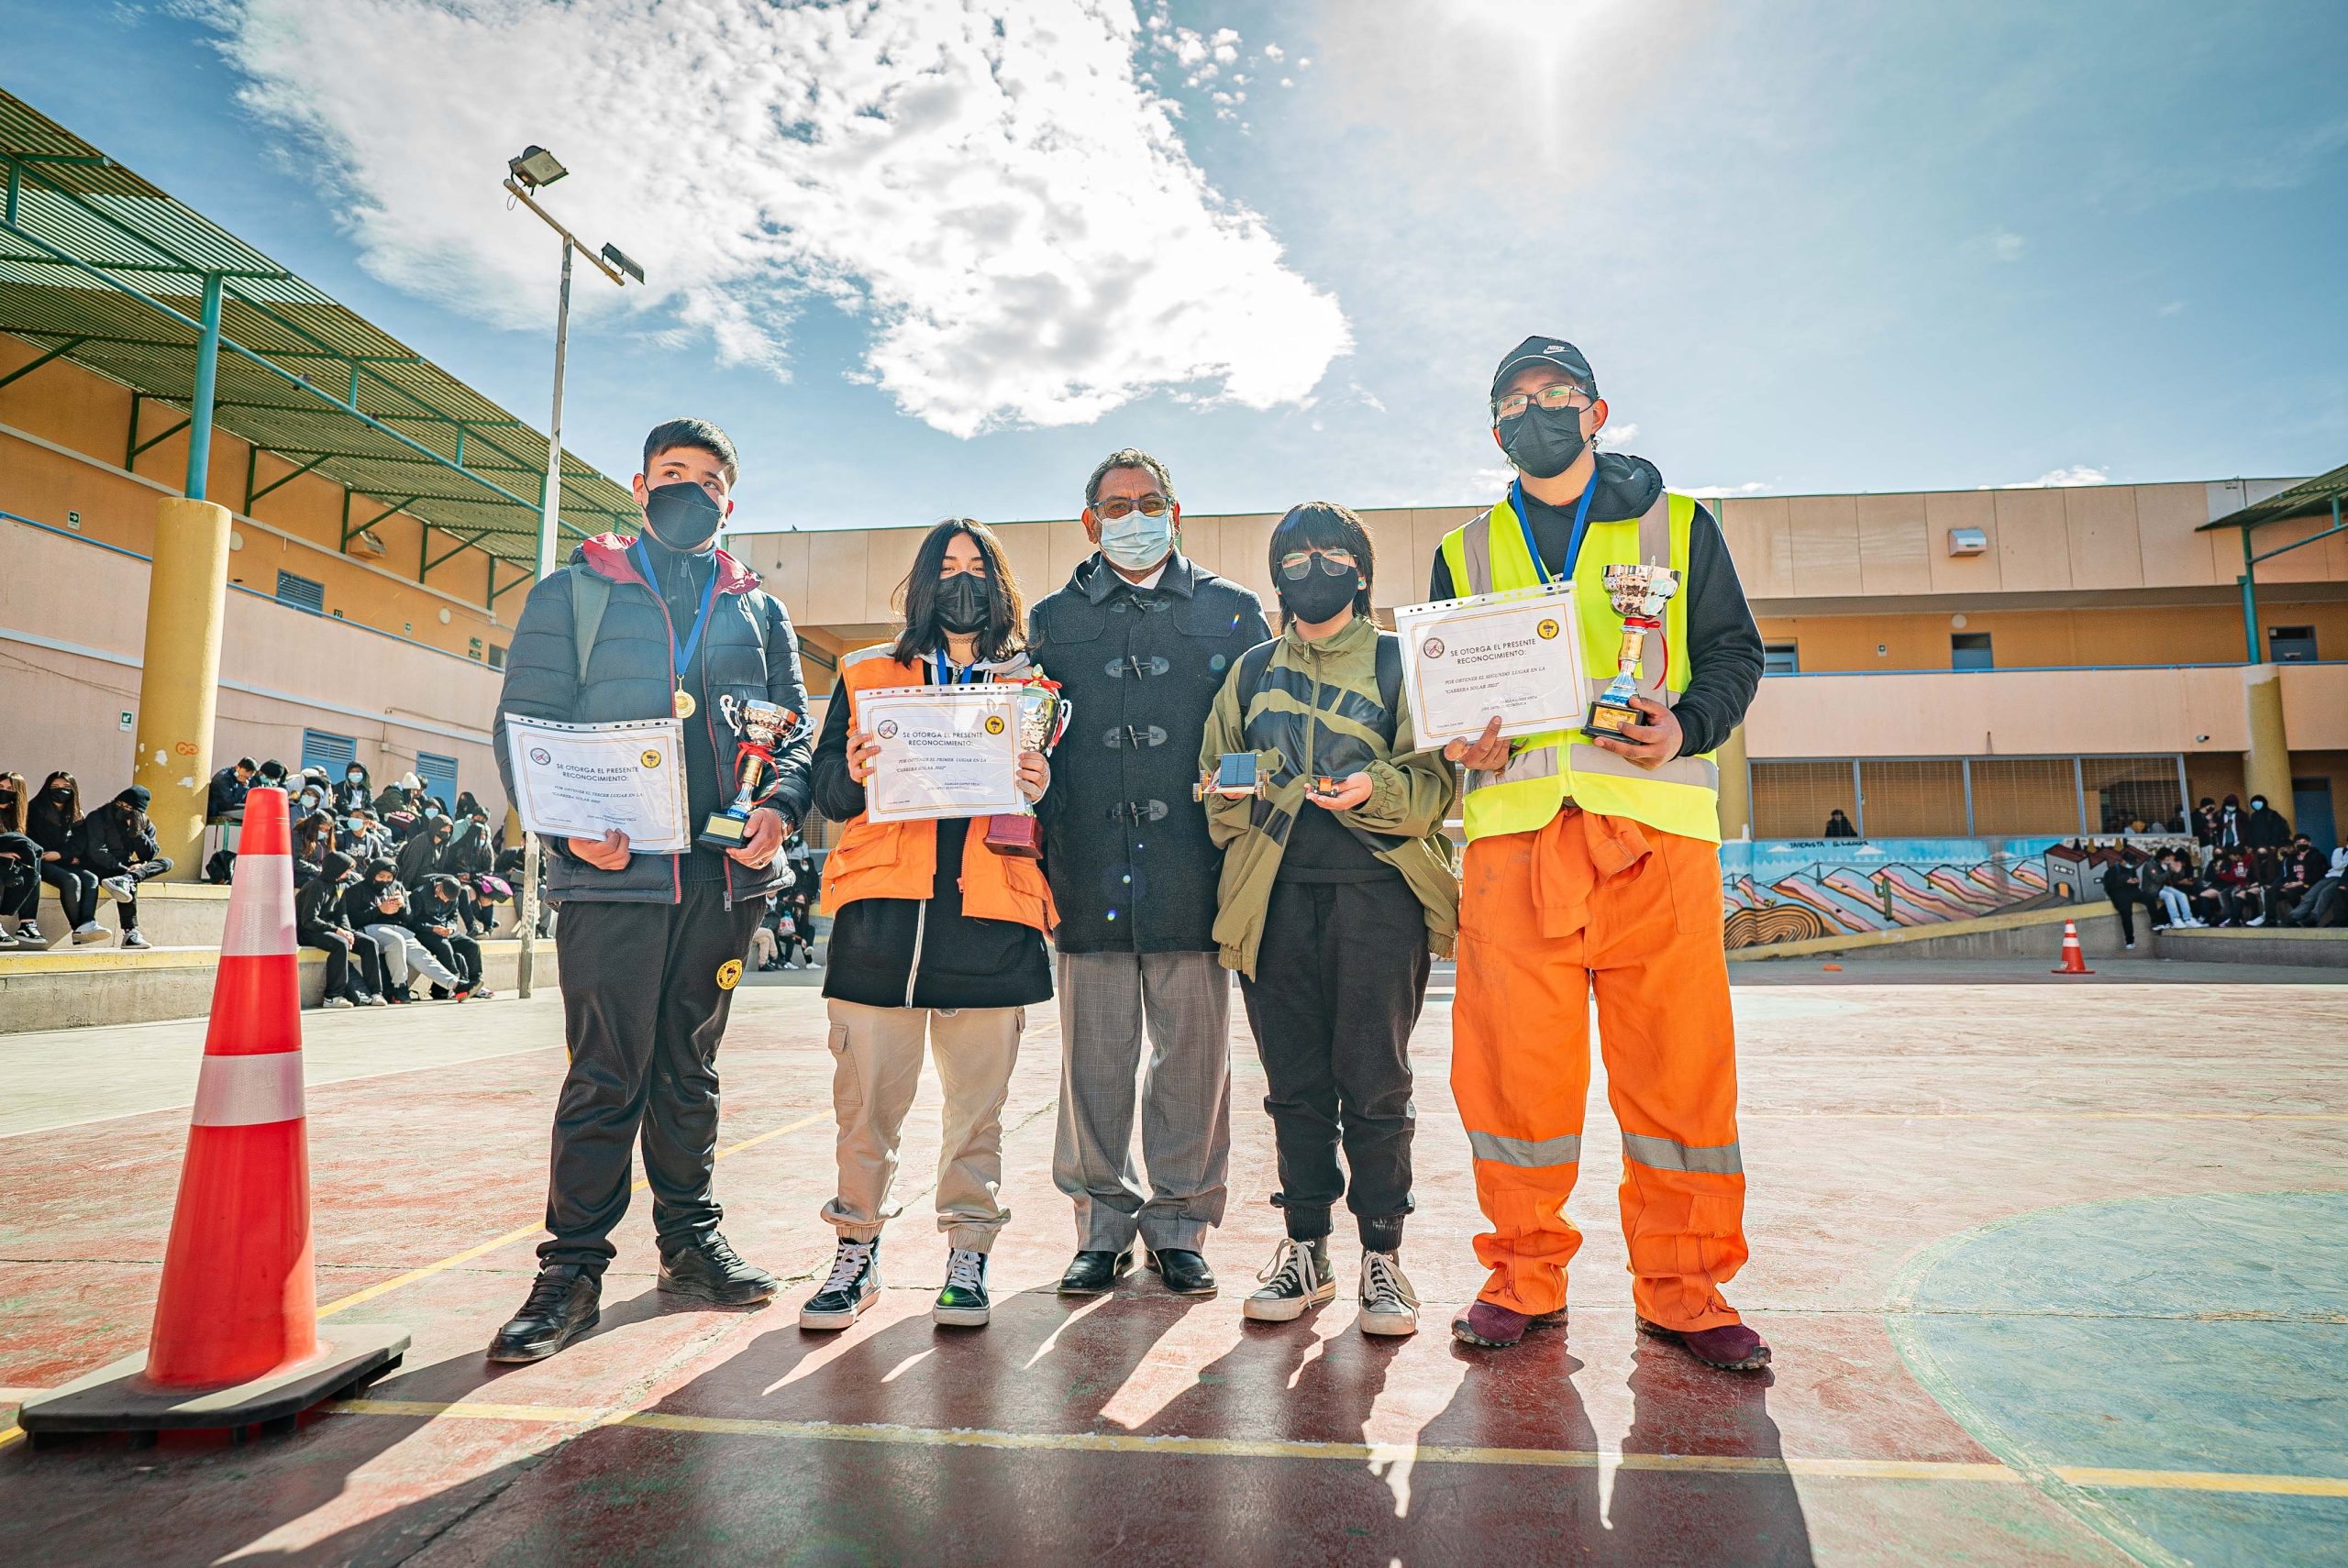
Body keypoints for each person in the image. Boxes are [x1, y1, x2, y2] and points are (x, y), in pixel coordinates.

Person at [1431, 336, 1767, 1371]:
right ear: (1495, 430)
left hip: (1651, 838)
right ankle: (1521, 1277)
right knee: (1511, 1083)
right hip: (1515, 842)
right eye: (1516, 401)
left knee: (1678, 1080)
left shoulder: (1679, 525)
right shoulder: (1466, 547)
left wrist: (1689, 726)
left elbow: (1731, 653)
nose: (1537, 411)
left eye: (1556, 394)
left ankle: (1685, 1290)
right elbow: (1449, 685)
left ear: (1596, 410)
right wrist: (1458, 743)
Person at [488, 416, 814, 1364]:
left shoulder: (761, 612)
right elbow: (523, 725)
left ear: (730, 500)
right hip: (610, 880)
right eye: (674, 473)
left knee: (690, 1069)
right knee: (605, 1072)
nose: (691, 489)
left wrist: (782, 810)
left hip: (722, 880)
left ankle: (691, 1243)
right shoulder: (573, 594)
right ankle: (571, 1271)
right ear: (639, 486)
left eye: (710, 479)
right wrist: (564, 824)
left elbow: (792, 732)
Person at [1200, 502, 1459, 1337]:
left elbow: (1433, 787)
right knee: (1295, 1088)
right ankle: (1304, 1247)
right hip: (1272, 902)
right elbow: (1211, 779)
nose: (1315, 567)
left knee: (1376, 1081)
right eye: (1299, 555)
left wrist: (1372, 790)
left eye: (1333, 553)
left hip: (1378, 899)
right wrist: (1227, 793)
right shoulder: (1248, 673)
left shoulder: (1398, 663)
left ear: (1360, 568)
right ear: (1277, 573)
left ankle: (1383, 1256)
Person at [797, 518, 1056, 1332]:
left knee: (977, 1115)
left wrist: (1044, 777)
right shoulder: (869, 670)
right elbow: (828, 791)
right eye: (946, 566)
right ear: (920, 580)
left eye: (977, 566)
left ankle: (967, 1255)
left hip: (990, 921)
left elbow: (1062, 801)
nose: (961, 579)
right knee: (866, 1106)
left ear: (1000, 583)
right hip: (882, 926)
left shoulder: (1033, 683)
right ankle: (856, 1250)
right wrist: (857, 770)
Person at [1028, 447, 1272, 1300]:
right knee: (1092, 1067)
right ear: (1091, 523)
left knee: (1193, 1065)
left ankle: (1180, 1223)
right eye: (1116, 505)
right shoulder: (1051, 620)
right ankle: (1100, 1226)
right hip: (1087, 873)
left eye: (1150, 500)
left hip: (1195, 878)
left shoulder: (1237, 612)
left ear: (1177, 510)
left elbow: (1261, 731)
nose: (1135, 516)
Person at [72, 786, 173, 949]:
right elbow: (96, 850)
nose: (123, 809)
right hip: (98, 865)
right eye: (120, 804)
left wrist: (137, 832)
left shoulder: (143, 822)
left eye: (129, 808)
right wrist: (123, 868)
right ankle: (131, 931)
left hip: (125, 868)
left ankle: (128, 879)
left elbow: (149, 854)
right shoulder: (98, 816)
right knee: (125, 880)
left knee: (167, 862)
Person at [355, 878, 466, 1002]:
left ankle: (455, 985)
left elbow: (409, 919)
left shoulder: (397, 886)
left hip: (399, 928)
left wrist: (402, 907)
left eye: (389, 876)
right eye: (381, 876)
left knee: (420, 953)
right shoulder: (360, 888)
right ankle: (400, 987)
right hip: (371, 928)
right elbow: (354, 918)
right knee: (396, 941)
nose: (385, 879)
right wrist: (379, 910)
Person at [27, 771, 105, 944]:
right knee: (71, 880)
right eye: (55, 787)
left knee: (91, 879)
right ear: (47, 788)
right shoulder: (33, 809)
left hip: (63, 859)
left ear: (73, 790)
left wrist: (62, 854)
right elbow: (28, 838)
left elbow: (79, 842)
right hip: (41, 860)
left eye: (66, 787)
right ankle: (79, 928)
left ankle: (88, 923)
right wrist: (47, 854)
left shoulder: (76, 813)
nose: (60, 790)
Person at [297, 850, 379, 1007]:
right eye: (347, 869)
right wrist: (338, 931)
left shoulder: (340, 885)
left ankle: (375, 992)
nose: (349, 873)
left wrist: (347, 932)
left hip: (331, 928)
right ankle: (333, 996)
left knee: (369, 943)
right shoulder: (315, 886)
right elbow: (309, 920)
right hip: (310, 931)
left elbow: (342, 914)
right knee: (339, 944)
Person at [414, 874, 490, 997]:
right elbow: (411, 922)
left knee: (472, 945)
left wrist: (451, 929)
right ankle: (455, 984)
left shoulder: (453, 898)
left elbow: (453, 918)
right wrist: (432, 928)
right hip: (425, 932)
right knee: (444, 947)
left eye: (450, 900)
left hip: (444, 931)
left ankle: (475, 983)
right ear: (438, 888)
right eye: (444, 897)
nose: (446, 901)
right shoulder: (420, 894)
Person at [0, 771, 44, 949]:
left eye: (10, 788)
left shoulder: (17, 816)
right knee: (28, 845)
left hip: (6, 864)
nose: (4, 791)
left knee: (33, 867)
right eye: (1, 787)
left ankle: (27, 924)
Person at [2100, 852, 2154, 949]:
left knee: (2149, 898)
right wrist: (2124, 882)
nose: (2131, 865)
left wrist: (2135, 881)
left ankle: (2155, 922)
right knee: (2126, 913)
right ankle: (2129, 940)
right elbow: (2110, 887)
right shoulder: (2112, 870)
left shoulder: (2131, 869)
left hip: (2132, 891)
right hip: (2119, 894)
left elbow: (2135, 882)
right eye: (2130, 863)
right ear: (2124, 861)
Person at [396, 812, 453, 889]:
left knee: (452, 882)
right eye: (444, 827)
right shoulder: (422, 840)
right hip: (418, 879)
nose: (447, 831)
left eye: (449, 828)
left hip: (432, 878)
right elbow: (412, 864)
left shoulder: (443, 845)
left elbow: (440, 868)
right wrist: (405, 887)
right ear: (436, 827)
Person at [207, 757, 256, 821]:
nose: (247, 778)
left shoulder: (246, 779)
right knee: (252, 813)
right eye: (244, 775)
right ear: (237, 767)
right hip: (219, 810)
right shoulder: (223, 778)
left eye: (248, 777)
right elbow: (229, 802)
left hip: (231, 807)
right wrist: (243, 786)